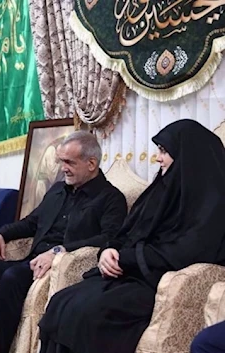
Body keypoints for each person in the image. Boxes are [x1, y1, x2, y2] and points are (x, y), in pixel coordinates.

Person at [38, 119, 225, 353]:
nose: (157, 158)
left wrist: (126, 259)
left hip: (157, 281)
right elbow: (127, 230)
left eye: (164, 151)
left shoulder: (213, 203)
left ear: (188, 154)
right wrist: (109, 250)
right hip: (129, 273)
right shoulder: (161, 190)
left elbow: (185, 251)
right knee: (61, 301)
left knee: (92, 313)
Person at [0, 131, 128, 353]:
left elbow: (108, 238)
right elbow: (31, 222)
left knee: (11, 277)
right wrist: (1, 233)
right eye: (61, 161)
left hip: (59, 269)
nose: (62, 168)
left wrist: (59, 251)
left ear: (91, 163)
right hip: (29, 260)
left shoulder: (112, 198)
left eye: (69, 162)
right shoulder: (58, 190)